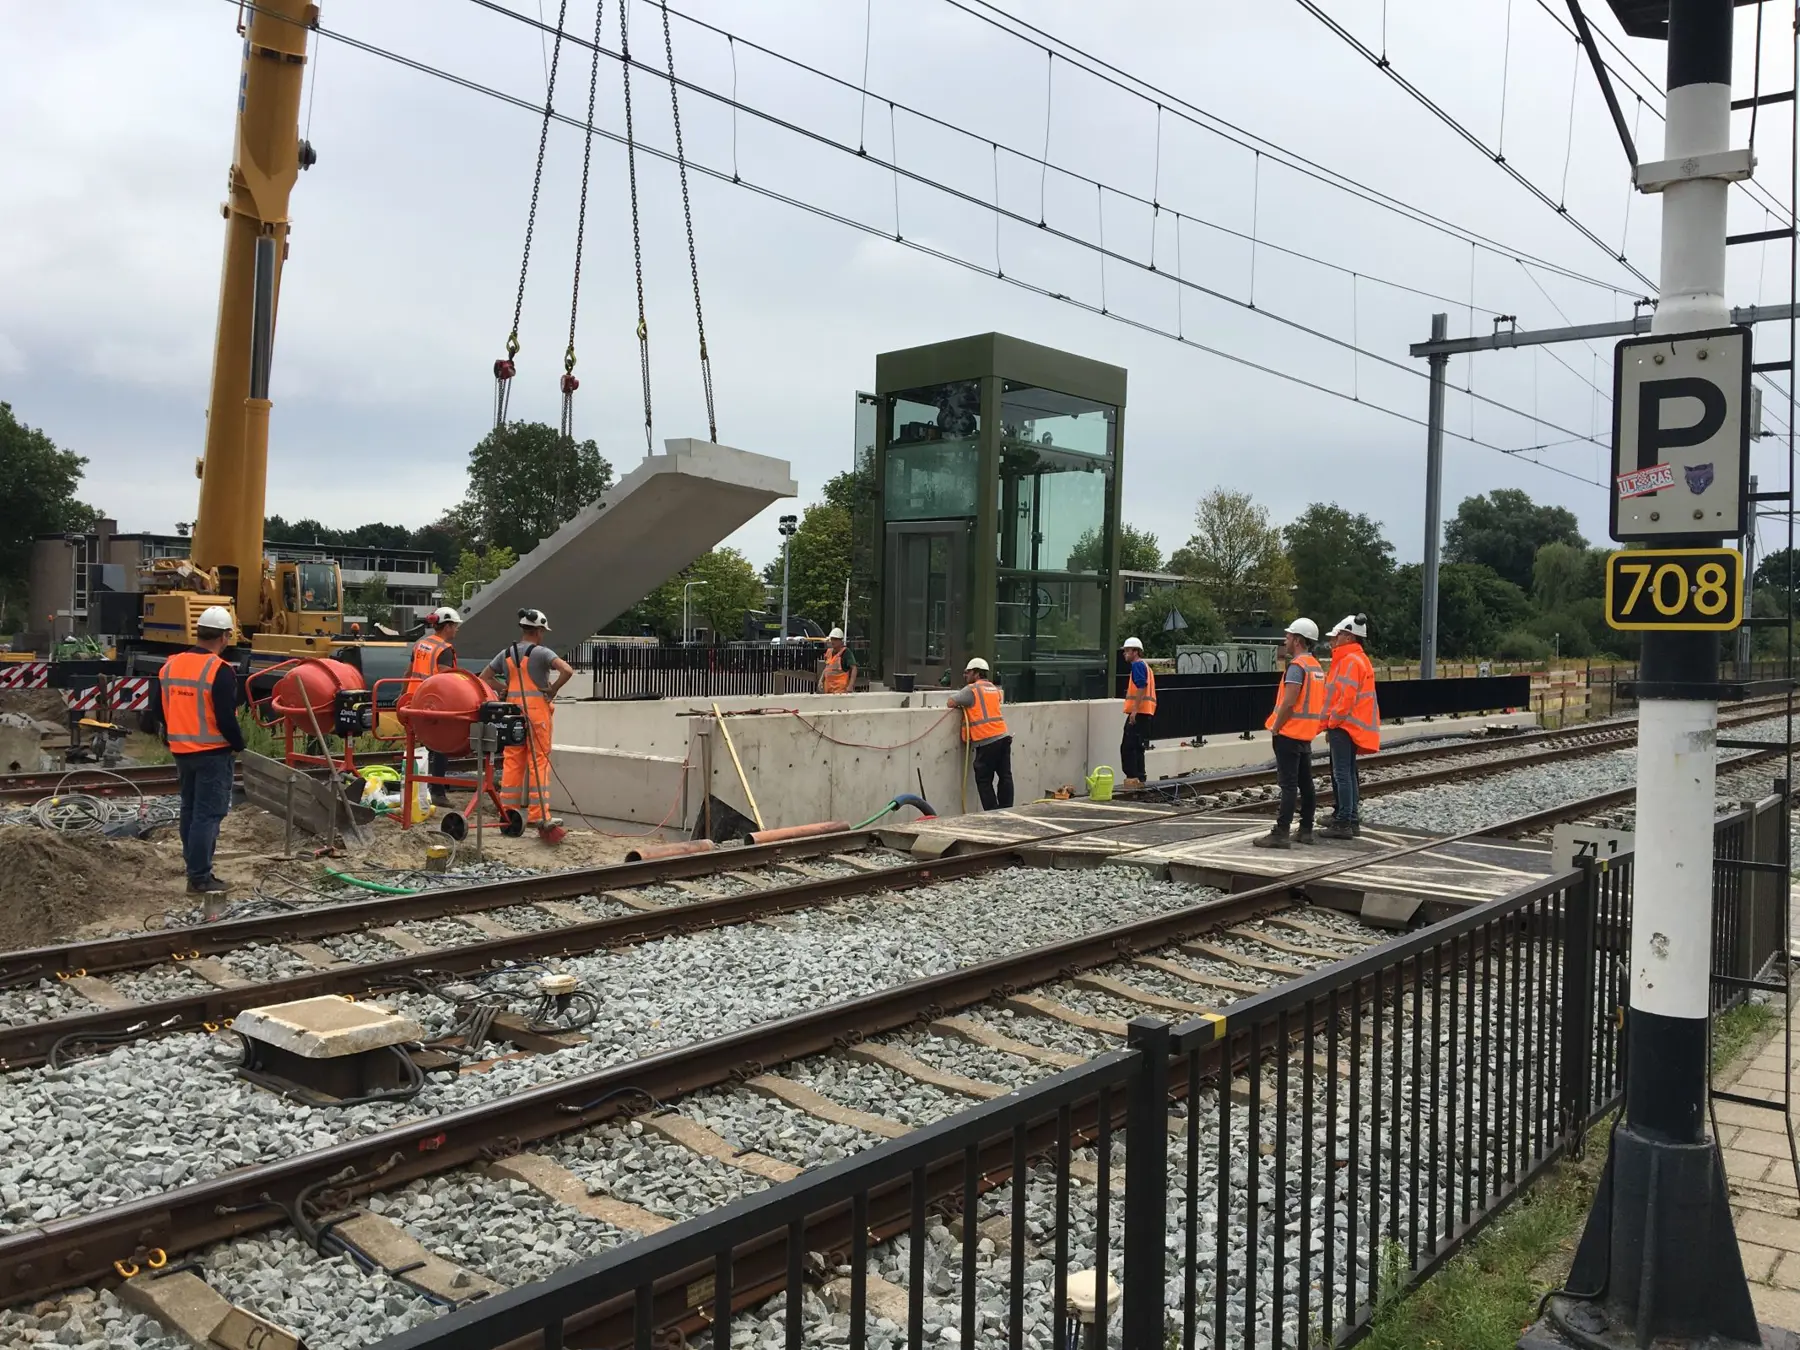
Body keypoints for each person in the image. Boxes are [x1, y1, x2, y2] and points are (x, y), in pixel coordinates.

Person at [149, 605, 245, 896]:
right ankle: (200, 878)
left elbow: (157, 709)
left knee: (190, 810)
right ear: (225, 636)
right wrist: (239, 745)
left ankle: (195, 868)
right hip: (212, 753)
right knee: (208, 814)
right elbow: (226, 717)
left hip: (182, 751)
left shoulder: (170, 665)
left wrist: (177, 732)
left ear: (199, 632)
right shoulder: (220, 670)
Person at [483, 608, 575, 844]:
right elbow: (567, 670)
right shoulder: (542, 653)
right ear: (538, 630)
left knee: (513, 760)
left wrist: (503, 689)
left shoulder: (506, 653)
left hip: (513, 714)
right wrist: (553, 689)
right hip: (537, 714)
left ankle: (508, 811)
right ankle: (540, 814)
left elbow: (484, 677)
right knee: (539, 761)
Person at [1254, 617, 1328, 850]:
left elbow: (1289, 702)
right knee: (1306, 784)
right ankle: (1305, 829)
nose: (1285, 640)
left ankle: (1281, 832)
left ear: (1297, 640)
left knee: (1288, 785)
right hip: (1306, 734)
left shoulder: (1297, 667)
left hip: (1289, 732)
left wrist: (1276, 726)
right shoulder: (1316, 667)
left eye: (1288, 636)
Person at [1321, 614, 1380, 839]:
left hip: (1344, 725)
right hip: (1351, 725)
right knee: (1349, 772)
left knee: (1342, 773)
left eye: (1336, 636)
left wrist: (1332, 722)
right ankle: (1350, 817)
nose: (1333, 641)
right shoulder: (1357, 659)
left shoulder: (1349, 661)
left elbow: (1345, 698)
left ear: (1348, 636)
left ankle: (1344, 821)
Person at [410, 607, 462, 804]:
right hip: (435, 702)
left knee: (425, 745)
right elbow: (445, 679)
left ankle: (423, 787)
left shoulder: (420, 644)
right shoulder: (444, 649)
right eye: (455, 626)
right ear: (447, 626)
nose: (456, 630)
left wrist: (402, 695)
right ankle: (437, 792)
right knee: (441, 746)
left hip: (416, 700)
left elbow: (410, 672)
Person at [946, 657, 1013, 810]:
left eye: (967, 672)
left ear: (976, 673)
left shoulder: (972, 689)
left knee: (983, 780)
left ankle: (992, 814)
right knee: (1005, 776)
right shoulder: (993, 689)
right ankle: (1007, 810)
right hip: (1003, 737)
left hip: (986, 740)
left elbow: (950, 702)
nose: (965, 675)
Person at [1119, 636, 1156, 786]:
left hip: (1139, 712)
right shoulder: (1145, 666)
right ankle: (1140, 777)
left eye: (1127, 650)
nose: (1124, 654)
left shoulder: (1137, 666)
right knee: (1138, 745)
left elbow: (1141, 686)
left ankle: (1133, 777)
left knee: (1128, 746)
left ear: (1135, 652)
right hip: (1145, 712)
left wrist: (1134, 711)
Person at [818, 627, 855, 693]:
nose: (832, 641)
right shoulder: (829, 652)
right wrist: (821, 680)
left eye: (835, 639)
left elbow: (854, 668)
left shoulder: (846, 653)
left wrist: (850, 686)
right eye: (832, 639)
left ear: (841, 641)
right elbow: (827, 668)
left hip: (840, 691)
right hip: (828, 690)